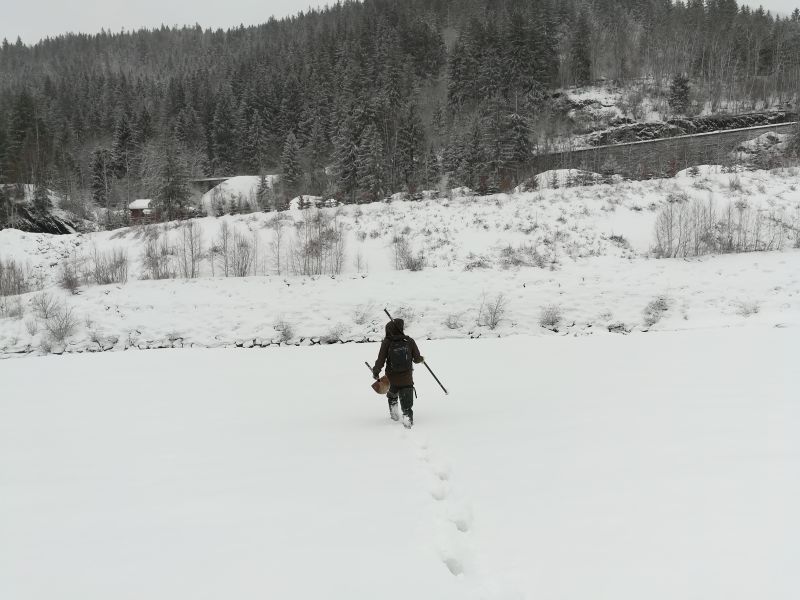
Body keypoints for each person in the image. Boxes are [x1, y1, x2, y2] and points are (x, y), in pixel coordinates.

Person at [372, 318, 424, 428]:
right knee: (407, 404)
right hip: (407, 379)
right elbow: (417, 359)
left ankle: (394, 414)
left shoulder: (387, 342)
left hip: (391, 379)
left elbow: (380, 360)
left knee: (392, 397)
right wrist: (421, 359)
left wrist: (376, 371)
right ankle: (407, 418)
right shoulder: (409, 341)